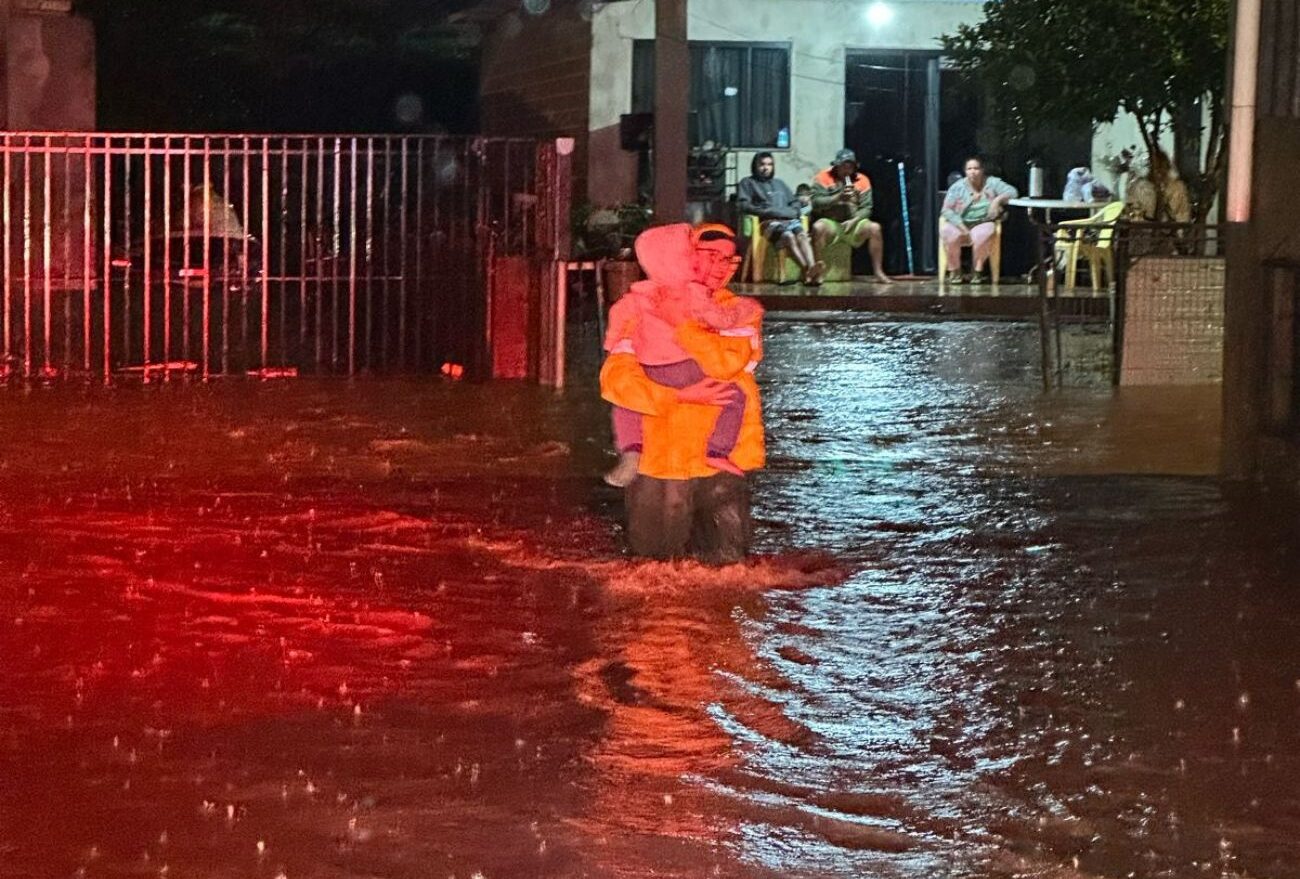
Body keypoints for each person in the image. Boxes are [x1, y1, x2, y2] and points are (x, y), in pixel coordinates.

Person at [599, 225, 765, 562]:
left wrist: (681, 324)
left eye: (729, 261)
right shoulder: (642, 306)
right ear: (686, 257)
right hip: (660, 464)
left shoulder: (738, 312)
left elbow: (725, 364)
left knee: (730, 570)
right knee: (650, 573)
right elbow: (616, 380)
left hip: (721, 463)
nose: (720, 267)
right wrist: (676, 397)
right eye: (710, 256)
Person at [735, 152, 823, 285]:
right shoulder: (748, 183)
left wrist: (793, 211)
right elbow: (743, 205)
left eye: (769, 164)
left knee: (803, 236)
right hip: (768, 222)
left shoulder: (779, 184)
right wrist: (767, 211)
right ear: (755, 165)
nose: (766, 168)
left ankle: (812, 270)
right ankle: (808, 270)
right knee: (788, 236)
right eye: (762, 164)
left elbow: (794, 202)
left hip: (789, 220)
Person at [810, 148, 891, 284]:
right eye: (843, 166)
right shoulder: (822, 177)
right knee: (818, 227)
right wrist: (838, 197)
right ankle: (819, 271)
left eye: (850, 167)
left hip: (853, 224)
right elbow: (816, 203)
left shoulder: (862, 180)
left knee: (875, 228)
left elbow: (867, 207)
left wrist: (855, 220)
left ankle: (878, 272)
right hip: (832, 223)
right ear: (836, 166)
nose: (847, 170)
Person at [939, 156, 1018, 285]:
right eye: (969, 169)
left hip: (982, 221)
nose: (973, 172)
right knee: (949, 232)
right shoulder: (957, 187)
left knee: (982, 234)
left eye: (976, 168)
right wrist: (961, 226)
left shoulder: (992, 183)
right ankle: (955, 270)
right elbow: (946, 210)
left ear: (982, 170)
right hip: (960, 223)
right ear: (965, 171)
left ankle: (977, 271)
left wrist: (997, 200)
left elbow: (1013, 192)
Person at [1124, 149, 1191, 224]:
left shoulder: (1177, 188)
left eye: (1161, 166)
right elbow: (1132, 216)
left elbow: (1182, 218)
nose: (1158, 171)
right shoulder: (1139, 188)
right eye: (1154, 167)